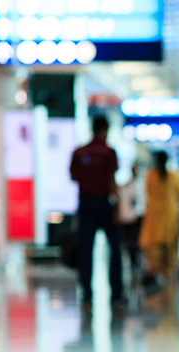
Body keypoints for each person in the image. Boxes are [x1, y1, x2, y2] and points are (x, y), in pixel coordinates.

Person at [69, 115, 125, 308]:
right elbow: (112, 180)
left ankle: (86, 292)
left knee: (86, 249)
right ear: (105, 130)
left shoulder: (79, 151)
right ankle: (116, 292)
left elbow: (73, 176)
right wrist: (117, 208)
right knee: (115, 248)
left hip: (85, 204)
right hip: (104, 203)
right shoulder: (109, 152)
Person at [139, 151, 179, 290]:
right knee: (169, 246)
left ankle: (156, 273)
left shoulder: (150, 176)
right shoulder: (174, 176)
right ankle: (167, 275)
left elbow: (147, 192)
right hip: (170, 215)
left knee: (154, 246)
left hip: (154, 215)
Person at [116, 162, 144, 286]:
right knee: (127, 244)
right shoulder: (126, 186)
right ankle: (132, 265)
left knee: (134, 244)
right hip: (126, 219)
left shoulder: (139, 186)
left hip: (134, 219)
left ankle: (135, 265)